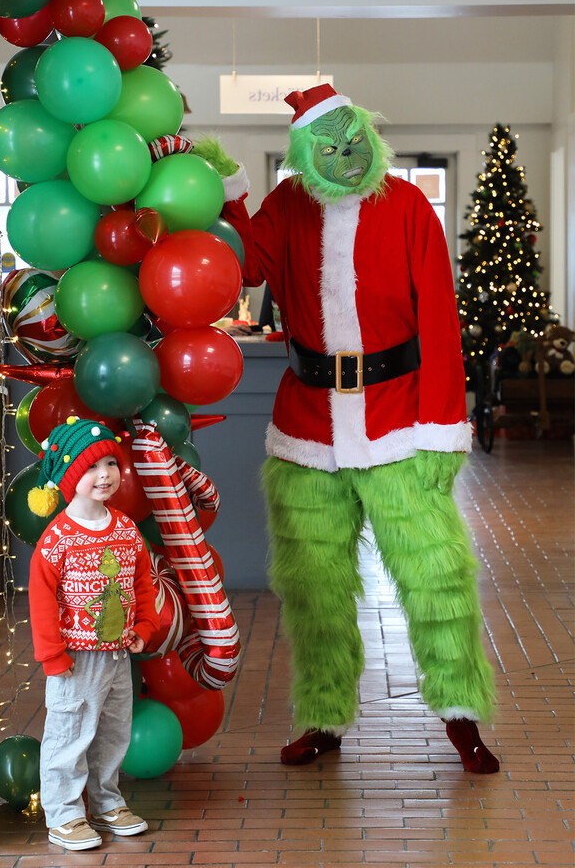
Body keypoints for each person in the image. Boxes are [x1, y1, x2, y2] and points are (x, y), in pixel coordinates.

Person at [198, 83, 499, 773]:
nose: (345, 155)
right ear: (305, 154)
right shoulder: (287, 205)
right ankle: (325, 715)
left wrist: (444, 429)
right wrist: (229, 195)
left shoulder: (409, 204)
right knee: (315, 585)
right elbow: (244, 268)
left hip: (399, 421)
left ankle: (461, 715)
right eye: (329, 147)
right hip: (307, 428)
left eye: (354, 140)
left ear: (371, 135)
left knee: (437, 578)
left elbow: (442, 324)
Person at [27, 417, 159, 850]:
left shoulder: (124, 528)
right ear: (67, 477)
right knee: (70, 733)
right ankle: (63, 813)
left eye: (110, 463)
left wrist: (143, 626)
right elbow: (43, 600)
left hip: (119, 656)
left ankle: (106, 802)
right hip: (74, 660)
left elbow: (141, 581)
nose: (104, 475)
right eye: (89, 467)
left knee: (112, 731)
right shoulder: (58, 538)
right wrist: (52, 656)